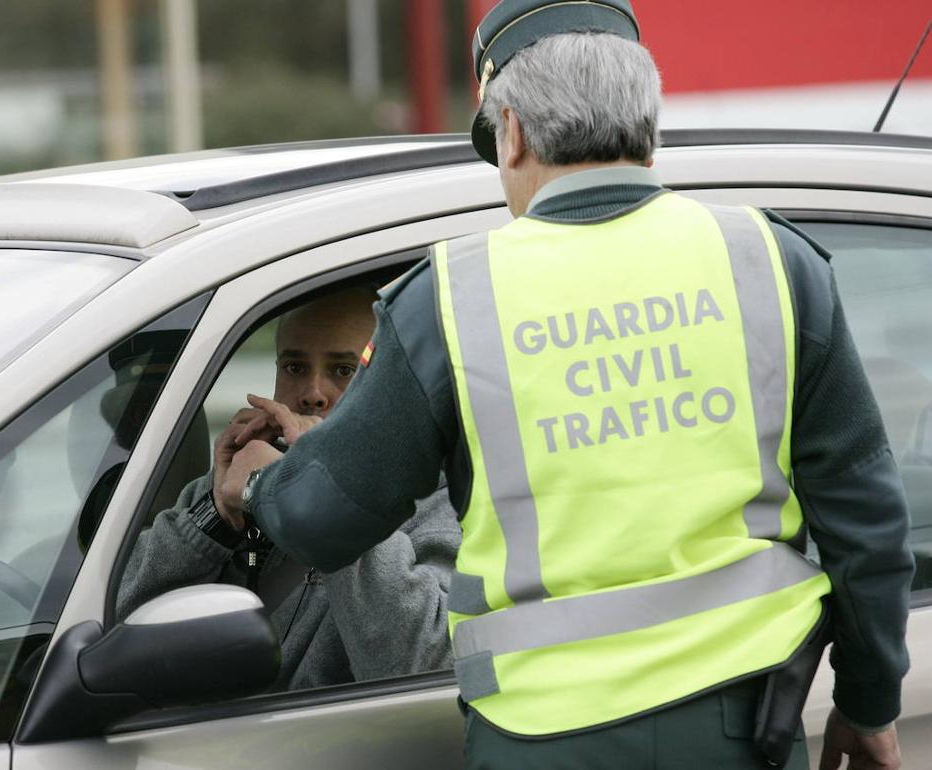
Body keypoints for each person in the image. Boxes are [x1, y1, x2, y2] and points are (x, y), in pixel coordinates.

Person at [216, 2, 914, 768]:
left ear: (512, 132)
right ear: (646, 123)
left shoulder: (451, 300)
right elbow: (867, 523)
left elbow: (322, 517)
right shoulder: (769, 263)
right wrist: (869, 701)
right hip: (742, 730)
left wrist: (262, 485)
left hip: (541, 740)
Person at [117, 286, 459, 691]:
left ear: (393, 382)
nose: (313, 393)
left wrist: (323, 494)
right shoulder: (241, 477)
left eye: (344, 370)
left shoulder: (444, 502)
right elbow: (111, 627)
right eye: (295, 367)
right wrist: (217, 516)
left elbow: (422, 667)